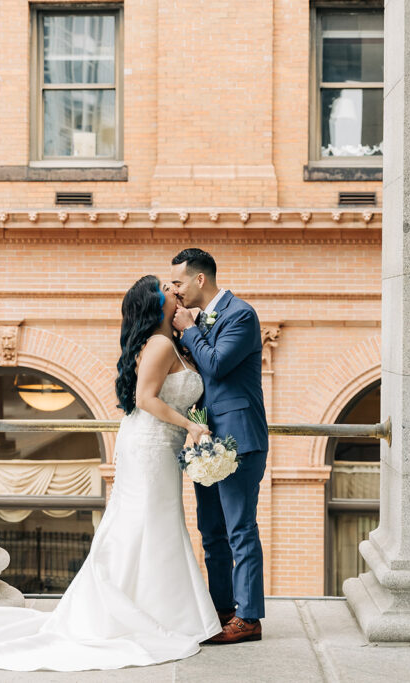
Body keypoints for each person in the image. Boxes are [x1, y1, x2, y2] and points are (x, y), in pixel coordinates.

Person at [0, 275, 220, 671]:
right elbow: (145, 399)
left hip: (161, 446)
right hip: (150, 444)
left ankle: (160, 609)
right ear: (154, 304)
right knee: (146, 521)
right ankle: (143, 612)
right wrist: (192, 427)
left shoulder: (175, 342)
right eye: (167, 289)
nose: (175, 291)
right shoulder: (161, 344)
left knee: (158, 523)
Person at [170, 248, 268, 644]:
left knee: (240, 529)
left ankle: (249, 618)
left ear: (199, 280)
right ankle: (222, 608)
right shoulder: (196, 320)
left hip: (240, 438)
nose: (175, 289)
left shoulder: (241, 315)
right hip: (204, 439)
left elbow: (216, 365)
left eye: (178, 282)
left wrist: (190, 329)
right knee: (210, 530)